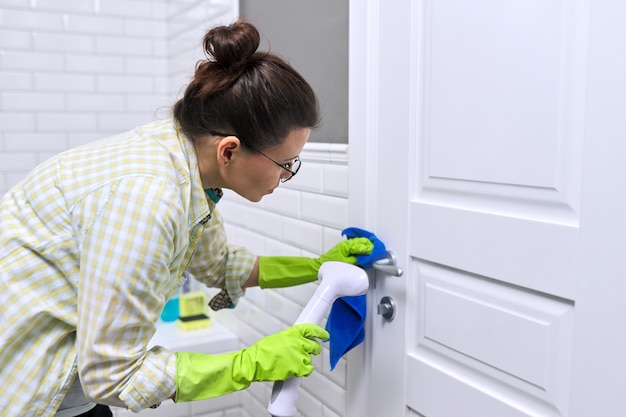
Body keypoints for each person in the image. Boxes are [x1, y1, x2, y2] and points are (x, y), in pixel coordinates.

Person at [0, 21, 372, 417]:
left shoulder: (189, 166)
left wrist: (314, 268)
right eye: (285, 163)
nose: (286, 175)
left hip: (71, 388)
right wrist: (250, 363)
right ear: (228, 151)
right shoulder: (149, 199)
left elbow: (221, 265)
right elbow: (112, 376)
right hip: (25, 389)